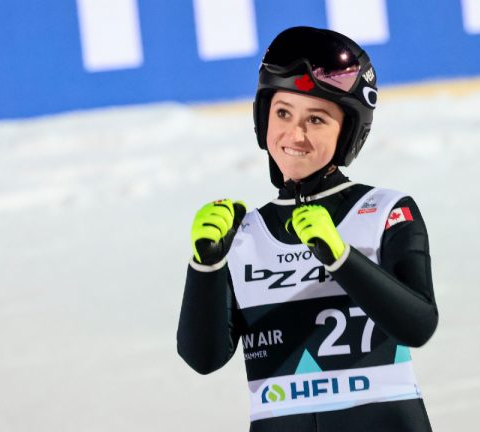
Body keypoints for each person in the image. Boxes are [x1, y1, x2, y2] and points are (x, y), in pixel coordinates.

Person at [177, 26, 438, 432]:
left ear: (347, 132)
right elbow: (203, 358)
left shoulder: (385, 211)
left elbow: (418, 326)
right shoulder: (244, 233)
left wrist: (341, 257)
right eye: (283, 113)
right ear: (263, 118)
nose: (294, 135)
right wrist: (205, 268)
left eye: (316, 119)